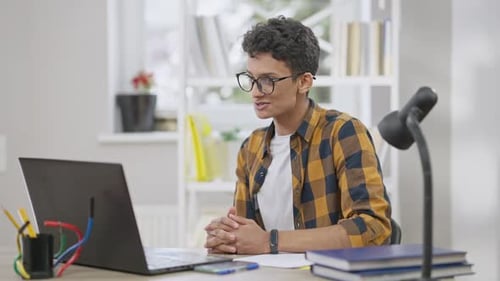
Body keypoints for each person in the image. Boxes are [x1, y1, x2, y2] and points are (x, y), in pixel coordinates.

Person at [204, 15, 391, 255]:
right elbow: (247, 237)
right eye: (251, 79)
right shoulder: (251, 147)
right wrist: (227, 237)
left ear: (303, 82)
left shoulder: (343, 132)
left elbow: (372, 229)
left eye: (268, 80)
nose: (255, 92)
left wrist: (269, 242)